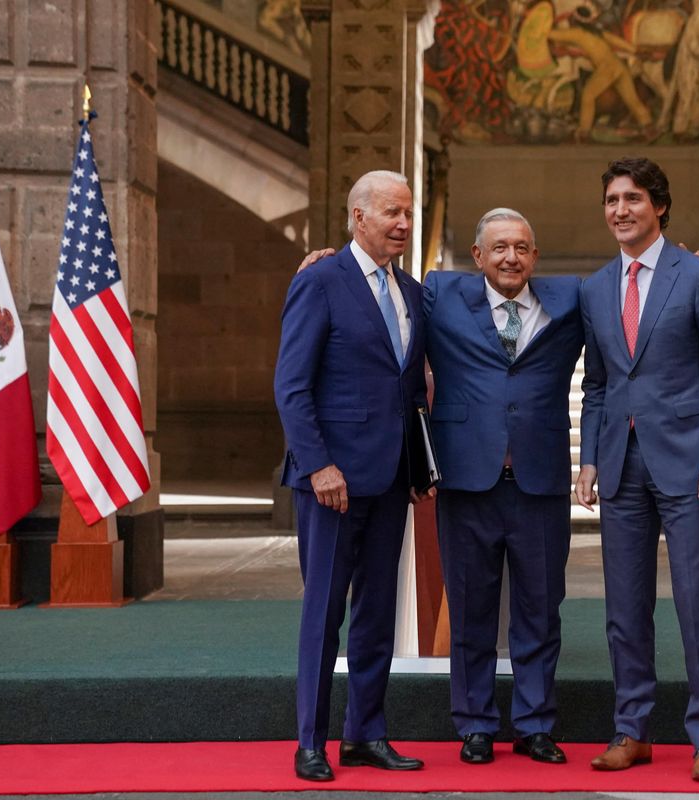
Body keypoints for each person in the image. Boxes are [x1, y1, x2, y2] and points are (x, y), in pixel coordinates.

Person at [574, 157, 699, 782]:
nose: (621, 210)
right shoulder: (594, 289)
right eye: (613, 199)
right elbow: (595, 383)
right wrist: (589, 457)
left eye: (634, 199)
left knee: (698, 604)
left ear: (660, 207)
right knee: (625, 608)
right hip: (620, 466)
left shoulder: (698, 275)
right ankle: (632, 729)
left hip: (690, 465)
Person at [274, 170, 429, 782]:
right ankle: (310, 741)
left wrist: (419, 467)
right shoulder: (319, 280)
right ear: (357, 216)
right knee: (325, 612)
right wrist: (318, 465)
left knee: (377, 613)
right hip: (330, 482)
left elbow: (410, 389)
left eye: (409, 214)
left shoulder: (412, 292)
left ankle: (366, 734)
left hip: (391, 480)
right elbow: (291, 386)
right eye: (393, 212)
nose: (404, 224)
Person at [424, 209, 583, 765]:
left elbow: (627, 290)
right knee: (471, 610)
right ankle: (474, 724)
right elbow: (378, 289)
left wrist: (689, 266)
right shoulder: (440, 295)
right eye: (499, 248)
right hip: (468, 480)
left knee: (541, 609)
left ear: (535, 256)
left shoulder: (571, 301)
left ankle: (536, 724)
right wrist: (329, 261)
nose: (511, 257)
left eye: (521, 247)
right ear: (477, 256)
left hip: (539, 483)